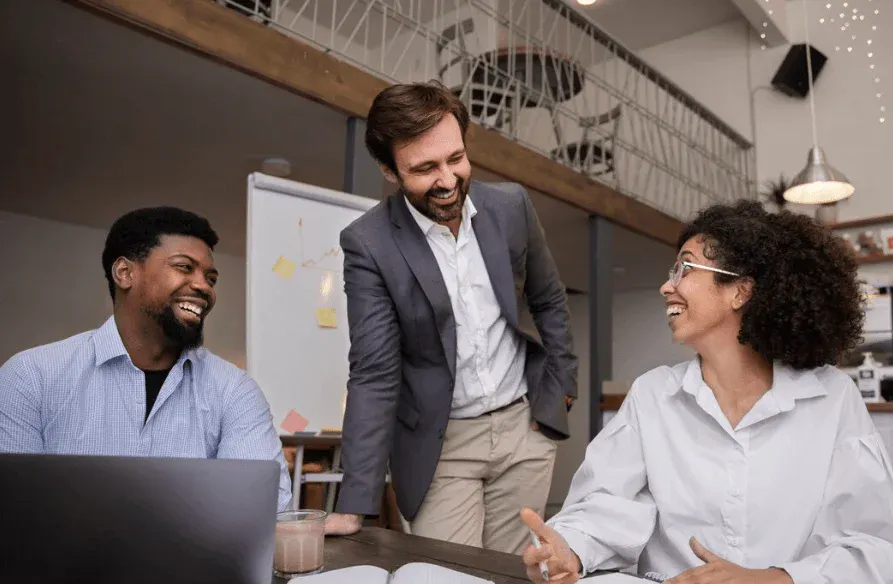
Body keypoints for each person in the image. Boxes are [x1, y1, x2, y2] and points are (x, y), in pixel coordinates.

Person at [521, 200, 893, 583]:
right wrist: (569, 549)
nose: (667, 286)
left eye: (684, 267)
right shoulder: (653, 395)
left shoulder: (832, 398)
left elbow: (874, 546)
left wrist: (773, 579)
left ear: (741, 291)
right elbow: (607, 503)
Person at [325, 81, 578, 554]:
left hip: (525, 432)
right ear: (389, 170)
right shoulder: (368, 244)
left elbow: (548, 299)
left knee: (513, 573)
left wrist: (561, 387)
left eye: (455, 159)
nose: (447, 179)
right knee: (448, 574)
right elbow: (375, 373)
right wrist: (354, 500)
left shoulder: (511, 206)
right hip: (440, 446)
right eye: (424, 168)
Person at [0, 207, 292, 512]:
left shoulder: (234, 391)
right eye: (184, 267)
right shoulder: (30, 377)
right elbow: (12, 517)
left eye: (211, 278)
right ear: (125, 273)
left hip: (193, 562)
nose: (204, 286)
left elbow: (262, 513)